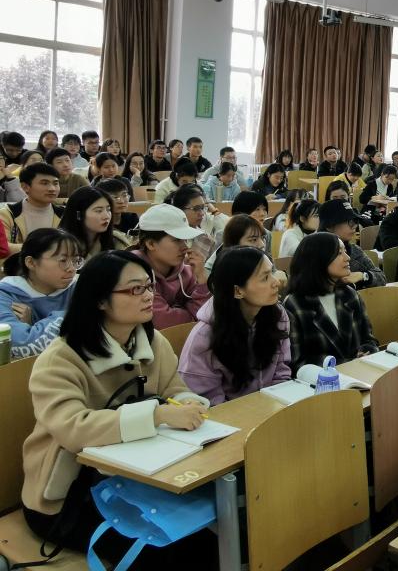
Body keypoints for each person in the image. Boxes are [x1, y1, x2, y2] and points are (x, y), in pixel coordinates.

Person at [20, 251, 212, 567]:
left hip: (141, 480)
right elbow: (74, 429)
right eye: (135, 289)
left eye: (149, 286)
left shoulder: (153, 342)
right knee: (171, 553)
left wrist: (188, 402)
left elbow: (173, 389)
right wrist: (156, 415)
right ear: (100, 300)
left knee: (210, 535)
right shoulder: (60, 359)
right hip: (69, 497)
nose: (148, 296)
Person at [178, 247, 291, 405]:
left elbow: (281, 372)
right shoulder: (205, 336)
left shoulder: (277, 315)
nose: (276, 282)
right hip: (226, 415)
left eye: (272, 272)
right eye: (265, 277)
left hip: (270, 407)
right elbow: (207, 402)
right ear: (238, 291)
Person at [282, 232, 379, 371]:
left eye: (345, 251)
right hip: (322, 381)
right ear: (318, 260)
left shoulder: (349, 294)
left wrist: (367, 352)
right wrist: (345, 364)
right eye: (339, 253)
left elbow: (369, 339)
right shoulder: (295, 305)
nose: (347, 258)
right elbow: (297, 362)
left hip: (360, 373)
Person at [0, 228, 81, 359]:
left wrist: (33, 325)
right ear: (31, 263)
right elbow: (18, 343)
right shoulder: (6, 293)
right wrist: (77, 315)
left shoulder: (80, 286)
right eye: (63, 260)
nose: (72, 268)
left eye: (76, 260)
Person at [133, 204, 211, 328]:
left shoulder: (188, 271)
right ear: (151, 244)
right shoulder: (133, 275)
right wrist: (190, 313)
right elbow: (167, 323)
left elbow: (208, 314)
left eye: (185, 240)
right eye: (177, 240)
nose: (185, 247)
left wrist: (202, 279)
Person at [319, 200, 387, 289]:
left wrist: (363, 276)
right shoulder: (315, 253)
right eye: (350, 222)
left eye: (355, 221)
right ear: (329, 226)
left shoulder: (354, 250)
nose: (355, 226)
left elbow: (381, 277)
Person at [0, 163, 64, 253]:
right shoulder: (7, 214)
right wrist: (47, 249)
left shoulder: (65, 214)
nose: (52, 189)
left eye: (55, 183)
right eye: (44, 183)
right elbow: (4, 247)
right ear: (25, 187)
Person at [58, 187, 129, 259]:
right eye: (98, 211)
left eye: (108, 210)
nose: (107, 216)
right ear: (79, 215)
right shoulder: (60, 244)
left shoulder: (116, 241)